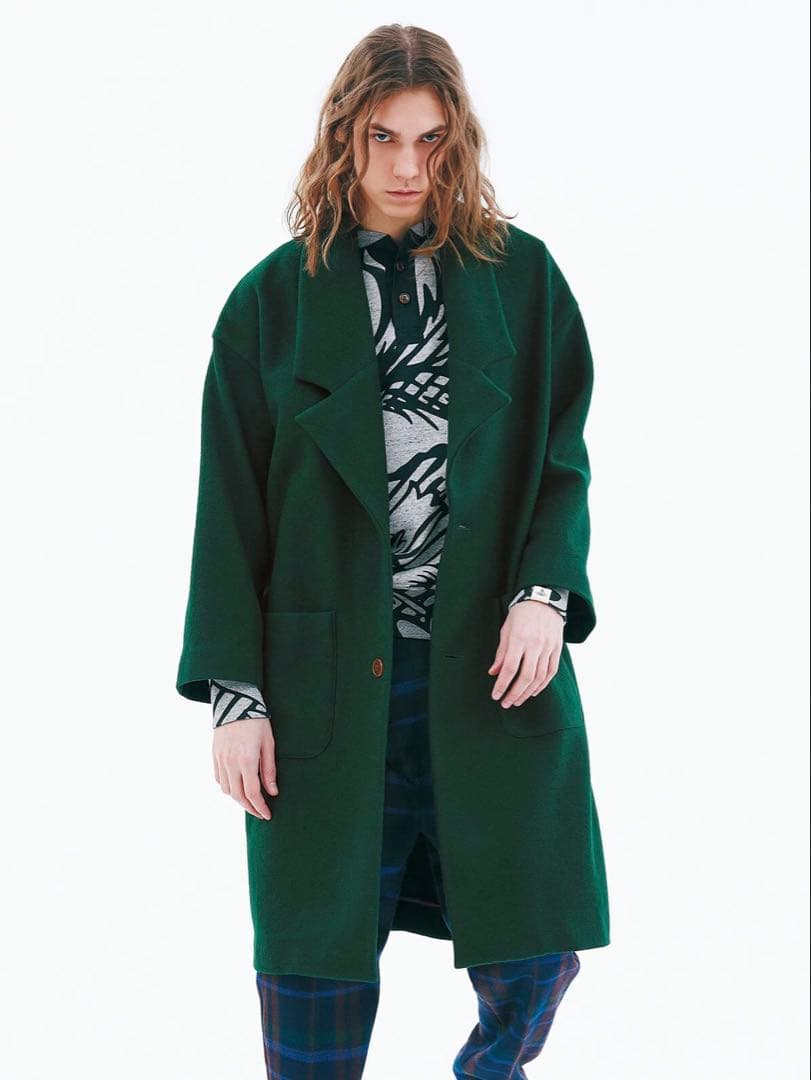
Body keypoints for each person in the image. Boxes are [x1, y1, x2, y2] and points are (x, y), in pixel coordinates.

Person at [175, 23, 610, 1078]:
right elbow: (227, 512)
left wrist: (543, 594)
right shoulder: (271, 302)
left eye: (430, 139)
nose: (407, 166)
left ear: (458, 139)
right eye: (383, 138)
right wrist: (236, 699)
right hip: (323, 686)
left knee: (536, 946)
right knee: (312, 985)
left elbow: (561, 459)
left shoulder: (521, 280)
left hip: (485, 673)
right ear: (343, 136)